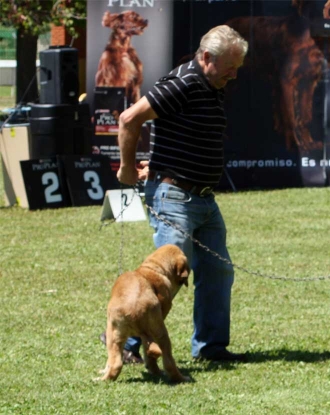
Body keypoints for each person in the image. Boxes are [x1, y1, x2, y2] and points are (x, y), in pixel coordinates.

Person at [110, 25, 249, 363]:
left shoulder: (210, 84)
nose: (234, 75)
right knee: (160, 283)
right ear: (206, 58)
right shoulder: (184, 83)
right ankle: (126, 346)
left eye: (237, 67)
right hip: (174, 199)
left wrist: (156, 163)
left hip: (203, 199)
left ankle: (211, 348)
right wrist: (128, 169)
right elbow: (130, 119)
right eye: (231, 66)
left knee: (219, 272)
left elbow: (176, 132)